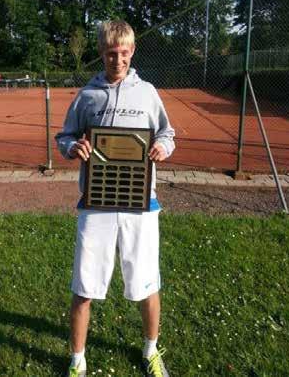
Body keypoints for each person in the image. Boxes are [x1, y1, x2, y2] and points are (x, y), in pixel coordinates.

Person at [55, 20, 175, 377]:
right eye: (110, 53)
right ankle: (78, 360)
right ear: (101, 53)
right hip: (96, 203)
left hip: (141, 204)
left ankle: (151, 351)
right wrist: (72, 146)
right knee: (84, 286)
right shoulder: (87, 95)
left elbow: (167, 132)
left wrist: (162, 146)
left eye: (123, 53)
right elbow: (65, 135)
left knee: (146, 283)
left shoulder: (148, 92)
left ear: (132, 51)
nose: (117, 60)